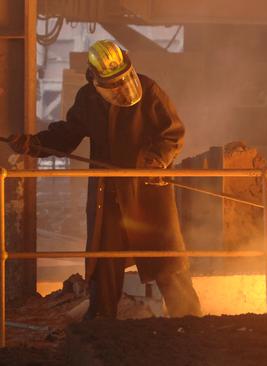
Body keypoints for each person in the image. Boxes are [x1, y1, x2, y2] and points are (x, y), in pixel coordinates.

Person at [9, 40, 202, 319]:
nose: (120, 88)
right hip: (108, 196)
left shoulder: (148, 91)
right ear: (95, 77)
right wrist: (33, 144)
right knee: (105, 264)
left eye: (122, 80)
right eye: (112, 84)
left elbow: (172, 133)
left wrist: (154, 160)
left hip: (146, 192)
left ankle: (191, 322)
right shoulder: (89, 99)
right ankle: (101, 325)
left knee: (165, 258)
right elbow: (66, 135)